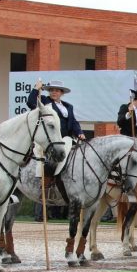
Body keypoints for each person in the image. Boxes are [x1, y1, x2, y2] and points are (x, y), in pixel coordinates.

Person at [25, 80, 84, 220]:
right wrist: (35, 89)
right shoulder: (45, 101)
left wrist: (80, 132)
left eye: (57, 90)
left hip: (67, 139)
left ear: (61, 93)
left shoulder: (68, 107)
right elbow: (31, 103)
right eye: (51, 90)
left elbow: (73, 122)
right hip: (52, 141)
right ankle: (46, 187)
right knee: (52, 161)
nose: (54, 92)